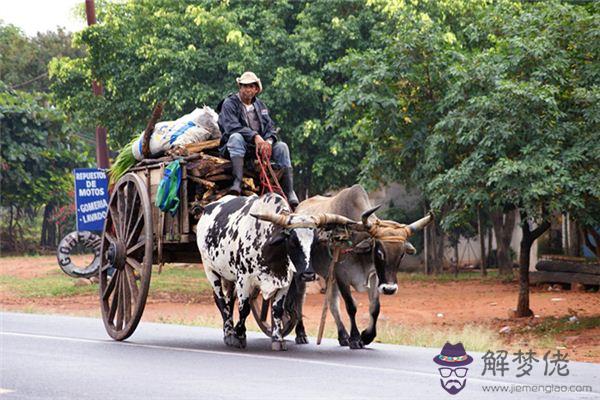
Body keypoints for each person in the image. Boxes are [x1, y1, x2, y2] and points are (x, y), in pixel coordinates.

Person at [217, 71, 299, 207]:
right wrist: (255, 136)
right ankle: (237, 182)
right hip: (236, 146)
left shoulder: (261, 106)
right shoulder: (229, 103)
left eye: (250, 86)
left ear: (256, 89)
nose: (247, 89)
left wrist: (268, 141)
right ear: (240, 87)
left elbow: (270, 127)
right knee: (236, 137)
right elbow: (231, 127)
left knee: (282, 147)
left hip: (258, 148)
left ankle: (289, 191)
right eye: (244, 86)